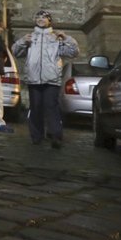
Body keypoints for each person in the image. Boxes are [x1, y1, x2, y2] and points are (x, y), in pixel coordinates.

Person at [11, 9, 79, 148]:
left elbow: (73, 52)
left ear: (49, 20)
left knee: (51, 107)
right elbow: (16, 52)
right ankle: (36, 136)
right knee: (35, 107)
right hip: (34, 78)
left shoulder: (56, 38)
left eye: (44, 17)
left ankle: (55, 136)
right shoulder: (30, 37)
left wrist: (66, 38)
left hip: (51, 79)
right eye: (38, 17)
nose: (41, 19)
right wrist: (23, 41)